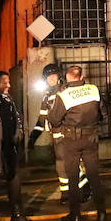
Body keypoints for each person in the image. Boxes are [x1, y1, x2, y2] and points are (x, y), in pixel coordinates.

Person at [47, 63, 107, 221]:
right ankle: (102, 213)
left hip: (71, 141)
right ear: (82, 77)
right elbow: (103, 114)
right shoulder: (94, 90)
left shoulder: (64, 95)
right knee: (94, 176)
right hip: (91, 138)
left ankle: (75, 215)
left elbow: (54, 119)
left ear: (67, 78)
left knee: (72, 177)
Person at [26, 63, 90, 205]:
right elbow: (42, 119)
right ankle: (66, 193)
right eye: (48, 77)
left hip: (69, 134)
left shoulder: (66, 91)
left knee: (71, 164)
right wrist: (33, 138)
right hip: (56, 137)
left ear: (59, 76)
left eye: (53, 76)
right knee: (60, 166)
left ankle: (85, 189)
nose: (51, 79)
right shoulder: (46, 97)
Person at [0, 70, 34, 221]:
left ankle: (17, 214)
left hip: (9, 147)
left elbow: (16, 116)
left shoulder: (8, 99)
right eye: (5, 82)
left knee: (14, 179)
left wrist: (18, 131)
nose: (9, 85)